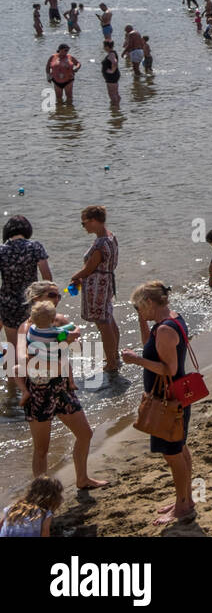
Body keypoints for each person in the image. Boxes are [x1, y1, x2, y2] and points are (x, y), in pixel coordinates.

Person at [16, 284, 106, 490]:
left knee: (85, 434)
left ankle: (82, 479)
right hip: (39, 391)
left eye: (58, 295)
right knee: (41, 448)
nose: (57, 299)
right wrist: (55, 355)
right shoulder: (26, 327)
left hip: (63, 387)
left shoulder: (62, 321)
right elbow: (24, 359)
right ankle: (41, 493)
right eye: (52, 295)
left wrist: (67, 341)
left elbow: (77, 348)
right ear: (37, 298)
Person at [121, 281, 195, 525]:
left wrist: (136, 361)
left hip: (168, 398)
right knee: (180, 447)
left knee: (173, 454)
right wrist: (142, 320)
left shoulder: (164, 330)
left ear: (150, 303)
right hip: (177, 395)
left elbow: (169, 368)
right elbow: (150, 347)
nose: (138, 311)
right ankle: (185, 499)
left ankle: (183, 506)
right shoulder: (170, 320)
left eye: (139, 307)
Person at [0, 217, 53, 390]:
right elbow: (47, 277)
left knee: (12, 346)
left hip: (7, 303)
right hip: (31, 302)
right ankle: (34, 384)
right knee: (32, 344)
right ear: (27, 230)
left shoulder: (1, 250)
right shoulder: (35, 247)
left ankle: (12, 387)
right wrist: (47, 299)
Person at [66, 205, 120, 375]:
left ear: (94, 221)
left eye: (85, 223)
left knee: (103, 324)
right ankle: (114, 356)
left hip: (98, 286)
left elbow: (89, 269)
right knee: (108, 319)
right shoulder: (111, 237)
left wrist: (75, 276)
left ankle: (111, 362)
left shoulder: (100, 244)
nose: (84, 227)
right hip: (107, 282)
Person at [100, 40, 121, 107]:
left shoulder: (111, 54)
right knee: (115, 92)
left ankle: (115, 108)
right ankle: (117, 106)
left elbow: (114, 63)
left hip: (111, 77)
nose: (103, 48)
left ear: (107, 47)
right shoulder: (112, 53)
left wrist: (111, 71)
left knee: (111, 93)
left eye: (104, 46)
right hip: (114, 76)